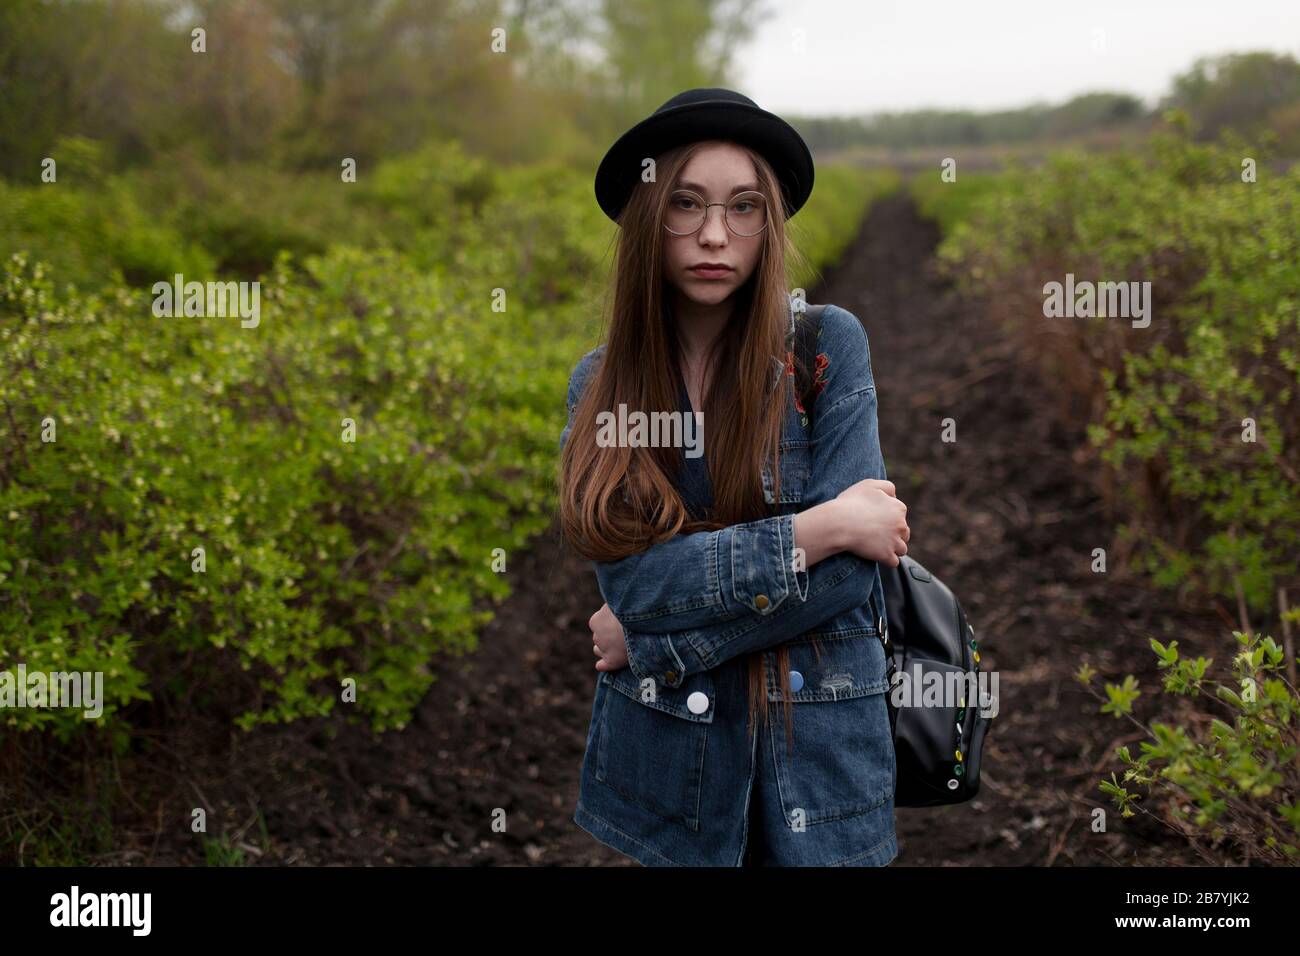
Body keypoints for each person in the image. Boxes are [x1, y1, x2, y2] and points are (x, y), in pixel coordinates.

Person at [558, 88, 911, 866]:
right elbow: (635, 587)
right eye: (685, 204)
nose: (714, 234)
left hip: (823, 763)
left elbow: (851, 581)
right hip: (668, 770)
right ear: (651, 219)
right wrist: (816, 530)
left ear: (768, 224)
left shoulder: (824, 349)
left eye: (743, 207)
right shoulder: (602, 385)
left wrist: (654, 641)